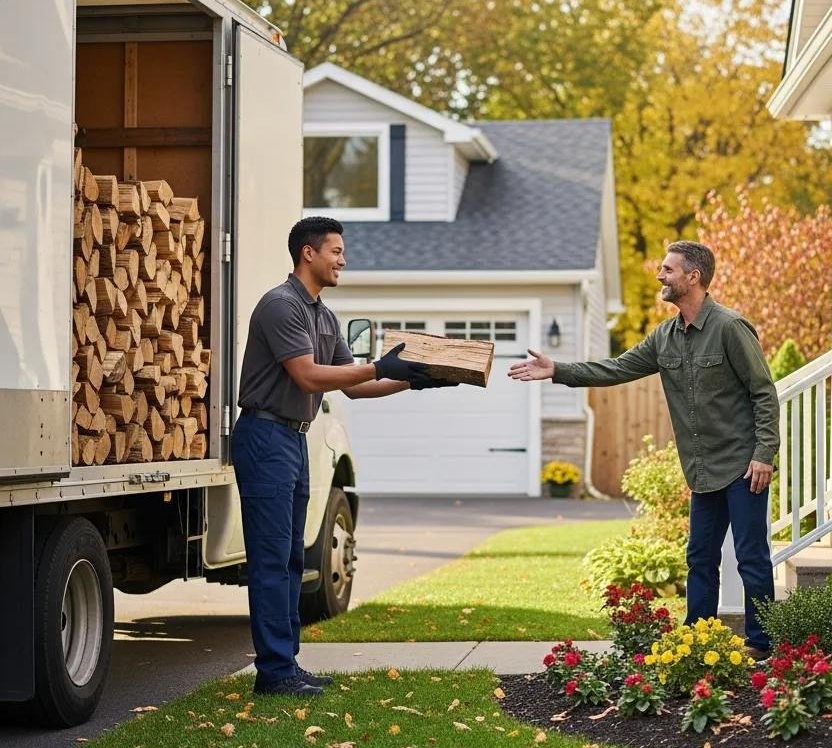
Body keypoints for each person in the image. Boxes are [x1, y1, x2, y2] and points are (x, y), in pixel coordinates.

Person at [508, 241, 779, 656]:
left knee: (751, 559)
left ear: (694, 276)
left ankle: (763, 645)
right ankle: (696, 640)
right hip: (702, 469)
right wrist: (558, 370)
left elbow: (763, 393)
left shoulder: (729, 327)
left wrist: (764, 453)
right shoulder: (665, 337)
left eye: (668, 270)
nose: (660, 276)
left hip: (744, 466)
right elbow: (616, 367)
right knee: (700, 559)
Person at [234, 215, 455, 697]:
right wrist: (380, 363)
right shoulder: (281, 306)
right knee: (272, 559)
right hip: (264, 437)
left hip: (293, 438)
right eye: (335, 251)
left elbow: (357, 386)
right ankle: (274, 673)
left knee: (293, 557)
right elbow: (310, 377)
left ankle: (286, 665)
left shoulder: (323, 315)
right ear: (308, 253)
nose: (343, 260)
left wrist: (417, 378)